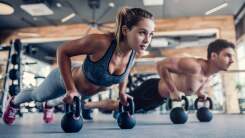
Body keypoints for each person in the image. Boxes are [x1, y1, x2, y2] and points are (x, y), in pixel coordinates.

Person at [3, 7, 155, 125]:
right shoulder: (101, 42)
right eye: (142, 32)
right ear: (125, 30)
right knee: (38, 96)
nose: (147, 40)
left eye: (151, 34)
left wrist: (122, 92)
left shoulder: (135, 52)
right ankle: (14, 102)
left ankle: (49, 105)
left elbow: (125, 72)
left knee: (61, 100)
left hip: (83, 92)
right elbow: (63, 50)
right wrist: (70, 89)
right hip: (66, 78)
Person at [82, 39, 235, 115]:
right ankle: (86, 106)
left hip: (158, 98)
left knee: (126, 110)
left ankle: (99, 108)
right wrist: (173, 90)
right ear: (214, 56)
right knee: (119, 105)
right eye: (228, 56)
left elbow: (192, 87)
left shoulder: (210, 75)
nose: (232, 60)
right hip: (151, 89)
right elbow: (161, 65)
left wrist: (200, 94)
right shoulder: (194, 65)